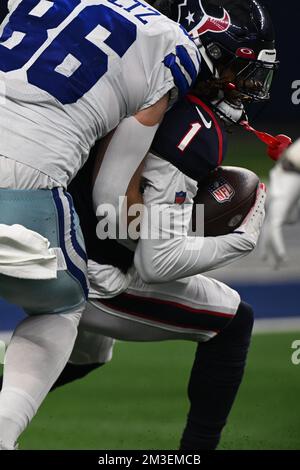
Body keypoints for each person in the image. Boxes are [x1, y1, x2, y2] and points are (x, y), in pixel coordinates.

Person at [15, 0, 273, 450]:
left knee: (89, 352)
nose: (247, 85)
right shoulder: (194, 127)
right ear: (208, 50)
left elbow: (118, 203)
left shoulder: (137, 75)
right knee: (233, 322)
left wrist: (172, 220)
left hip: (58, 222)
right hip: (90, 269)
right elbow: (157, 260)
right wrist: (239, 238)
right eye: (237, 68)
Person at [0, 0, 200, 449]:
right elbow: (111, 194)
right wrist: (163, 245)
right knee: (61, 308)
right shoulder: (170, 43)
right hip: (26, 185)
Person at [260, 138, 300, 268]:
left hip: (287, 180)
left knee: (283, 219)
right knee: (274, 221)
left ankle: (265, 252)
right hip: (283, 181)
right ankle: (279, 255)